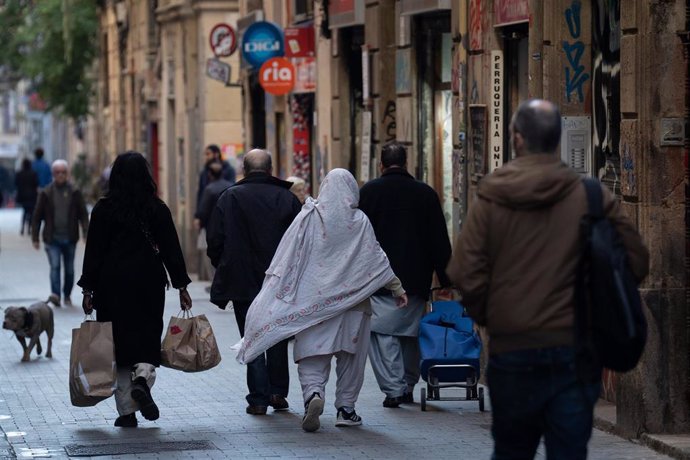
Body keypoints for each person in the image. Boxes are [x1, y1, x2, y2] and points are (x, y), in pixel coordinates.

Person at [446, 99, 649, 459]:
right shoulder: (590, 196)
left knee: (511, 451)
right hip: (575, 349)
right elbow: (635, 260)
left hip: (512, 350)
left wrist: (492, 318)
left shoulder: (491, 198)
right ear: (557, 141)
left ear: (517, 138)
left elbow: (464, 272)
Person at [237, 168, 408, 432]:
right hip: (354, 304)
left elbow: (288, 256)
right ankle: (346, 409)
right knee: (352, 360)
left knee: (312, 357)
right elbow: (374, 257)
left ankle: (313, 395)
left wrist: (279, 292)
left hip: (312, 305)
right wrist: (397, 288)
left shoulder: (309, 217)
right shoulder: (359, 220)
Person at [78, 152, 192, 428]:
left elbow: (93, 252)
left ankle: (127, 412)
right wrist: (181, 285)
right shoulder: (157, 208)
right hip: (148, 283)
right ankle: (142, 378)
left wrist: (88, 290)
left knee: (118, 347)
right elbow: (171, 250)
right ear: (146, 176)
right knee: (146, 339)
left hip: (112, 286)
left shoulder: (104, 210)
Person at [207, 149, 301, 415]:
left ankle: (259, 397)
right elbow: (300, 242)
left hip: (242, 282)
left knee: (251, 337)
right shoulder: (287, 198)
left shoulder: (230, 197)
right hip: (279, 283)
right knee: (278, 335)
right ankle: (277, 392)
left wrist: (224, 266)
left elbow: (215, 240)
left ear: (244, 171)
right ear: (270, 169)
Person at [359, 141, 452, 407]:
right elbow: (439, 240)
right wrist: (446, 278)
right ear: (406, 163)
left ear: (381, 164)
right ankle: (409, 383)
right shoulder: (425, 194)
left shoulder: (369, 193)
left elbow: (359, 240)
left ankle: (394, 388)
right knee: (410, 334)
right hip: (416, 278)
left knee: (382, 334)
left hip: (379, 280)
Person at [31, 160, 89, 307]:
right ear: (53, 174)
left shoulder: (75, 192)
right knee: (55, 266)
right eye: (58, 172)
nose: (61, 175)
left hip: (70, 237)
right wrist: (35, 237)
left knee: (69, 270)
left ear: (67, 174)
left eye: (64, 172)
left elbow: (83, 214)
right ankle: (56, 295)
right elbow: (37, 217)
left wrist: (85, 233)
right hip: (52, 238)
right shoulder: (46, 193)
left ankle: (67, 294)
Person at [194, 161, 232, 285]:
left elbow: (203, 210)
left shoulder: (209, 189)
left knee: (209, 253)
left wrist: (199, 220)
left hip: (210, 227)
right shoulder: (231, 186)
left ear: (210, 174)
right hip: (229, 226)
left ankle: (215, 280)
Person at [196, 144, 236, 214]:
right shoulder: (204, 172)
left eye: (208, 154)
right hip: (208, 212)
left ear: (216, 154)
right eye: (205, 154)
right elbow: (201, 193)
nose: (206, 157)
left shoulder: (229, 170)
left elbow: (231, 189)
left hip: (224, 210)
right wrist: (198, 214)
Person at [15, 159, 39, 236]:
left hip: (23, 196)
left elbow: (16, 183)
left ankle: (22, 227)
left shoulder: (19, 173)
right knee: (31, 212)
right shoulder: (33, 173)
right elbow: (36, 183)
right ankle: (29, 228)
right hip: (32, 196)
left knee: (25, 211)